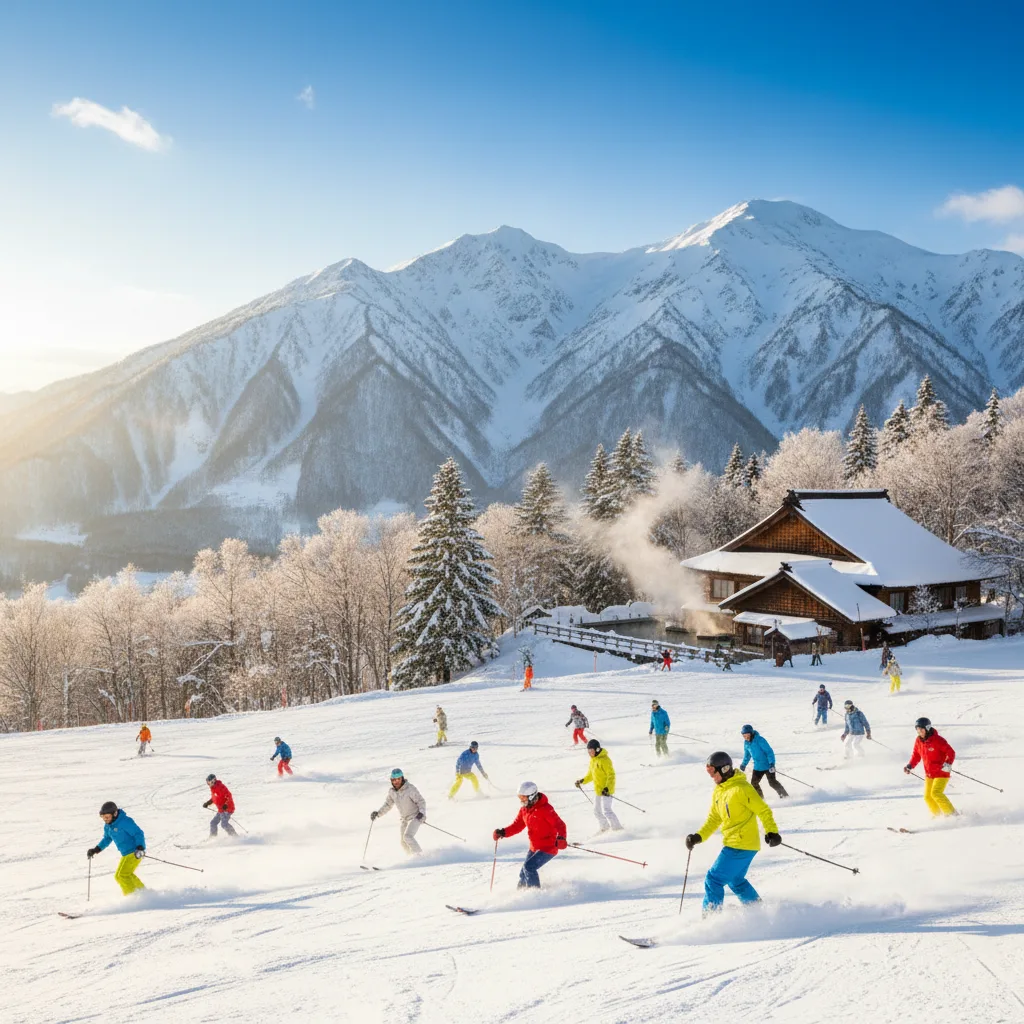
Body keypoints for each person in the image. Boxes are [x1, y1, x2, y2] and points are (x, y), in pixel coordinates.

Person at [685, 751, 781, 915]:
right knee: (736, 881)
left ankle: (710, 921)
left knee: (713, 880)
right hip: (737, 844)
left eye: (712, 772)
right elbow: (714, 818)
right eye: (708, 772)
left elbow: (763, 810)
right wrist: (699, 836)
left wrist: (772, 832)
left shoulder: (742, 789)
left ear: (724, 769)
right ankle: (758, 912)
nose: (711, 777)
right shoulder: (719, 791)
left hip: (741, 844)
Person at [493, 781, 568, 889]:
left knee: (529, 868)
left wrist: (561, 838)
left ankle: (535, 895)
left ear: (532, 796)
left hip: (548, 847)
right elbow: (517, 826)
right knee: (523, 874)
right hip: (534, 847)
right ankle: (521, 894)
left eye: (523, 798)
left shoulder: (545, 809)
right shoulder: (524, 810)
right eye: (520, 797)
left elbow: (559, 824)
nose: (521, 800)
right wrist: (503, 832)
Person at [87, 801, 147, 896]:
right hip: (125, 854)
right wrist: (96, 849)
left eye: (107, 817)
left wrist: (140, 847)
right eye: (103, 817)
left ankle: (132, 897)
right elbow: (107, 839)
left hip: (135, 852)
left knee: (123, 875)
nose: (105, 819)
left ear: (114, 814)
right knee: (120, 875)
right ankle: (143, 893)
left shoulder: (125, 822)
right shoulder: (108, 826)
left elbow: (138, 833)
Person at [904, 717, 956, 817]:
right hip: (929, 774)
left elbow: (951, 752)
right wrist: (910, 766)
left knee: (936, 793)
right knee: (928, 797)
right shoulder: (919, 741)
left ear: (927, 728)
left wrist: (948, 763)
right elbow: (916, 755)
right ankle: (938, 816)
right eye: (917, 730)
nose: (920, 732)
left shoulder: (938, 740)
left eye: (921, 729)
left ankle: (952, 815)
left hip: (941, 772)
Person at [371, 768, 426, 854]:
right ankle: (411, 858)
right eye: (394, 780)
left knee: (407, 836)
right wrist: (378, 814)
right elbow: (388, 805)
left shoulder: (410, 789)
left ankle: (420, 856)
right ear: (391, 780)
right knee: (403, 842)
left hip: (416, 817)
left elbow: (421, 801)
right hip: (405, 819)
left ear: (402, 778)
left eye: (398, 779)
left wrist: (422, 813)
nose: (396, 781)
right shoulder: (392, 792)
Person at [575, 739, 622, 831]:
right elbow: (591, 775)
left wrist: (607, 788)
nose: (589, 753)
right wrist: (582, 781)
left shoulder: (605, 760)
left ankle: (618, 829)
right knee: (596, 811)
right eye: (588, 751)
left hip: (606, 791)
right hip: (598, 790)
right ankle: (604, 827)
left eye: (591, 751)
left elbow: (611, 775)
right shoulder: (593, 760)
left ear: (597, 750)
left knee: (607, 811)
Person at [739, 725, 788, 799]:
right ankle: (761, 799)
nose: (746, 737)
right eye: (744, 735)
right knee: (754, 783)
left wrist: (772, 763)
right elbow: (747, 755)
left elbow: (769, 752)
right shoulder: (746, 743)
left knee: (772, 783)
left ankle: (784, 796)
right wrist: (744, 764)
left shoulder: (760, 740)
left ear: (751, 733)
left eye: (747, 735)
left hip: (768, 766)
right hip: (758, 767)